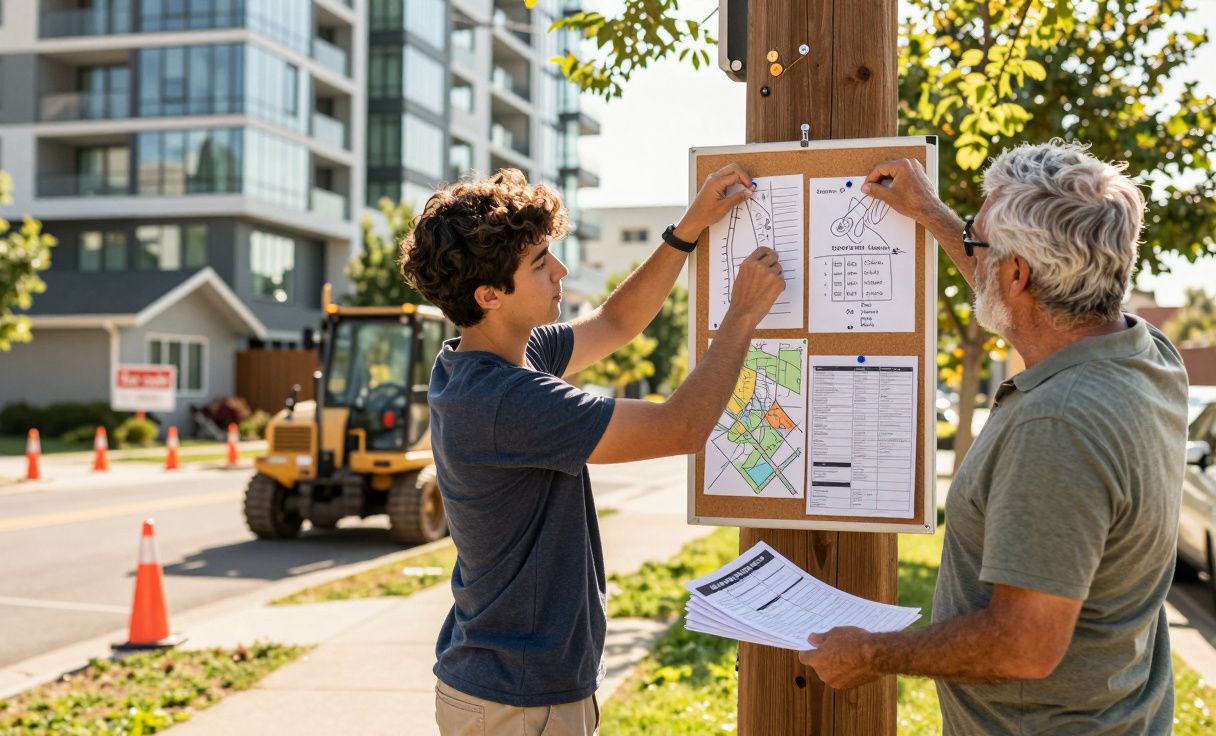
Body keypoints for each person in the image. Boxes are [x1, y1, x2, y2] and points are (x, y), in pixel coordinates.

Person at [799, 141, 1189, 735]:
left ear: (1016, 274)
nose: (973, 252)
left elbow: (1023, 645)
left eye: (979, 244)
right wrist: (932, 214)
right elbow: (1015, 300)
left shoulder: (1057, 428)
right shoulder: (1146, 354)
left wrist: (869, 653)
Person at [399, 165, 785, 735]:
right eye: (539, 264)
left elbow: (615, 321)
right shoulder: (506, 399)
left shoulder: (487, 358)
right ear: (490, 295)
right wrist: (742, 317)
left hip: (510, 685)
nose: (561, 270)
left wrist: (690, 227)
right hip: (518, 701)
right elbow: (680, 427)